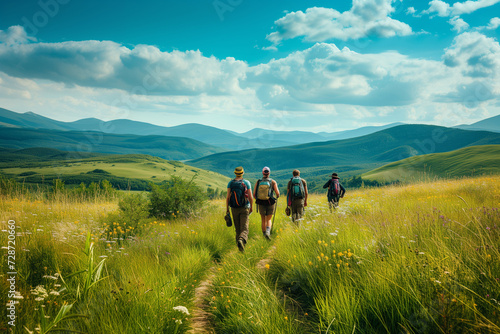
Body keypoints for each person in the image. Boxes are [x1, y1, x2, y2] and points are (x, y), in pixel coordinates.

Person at [226, 166, 253, 252]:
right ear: (242, 173)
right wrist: (251, 206)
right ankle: (242, 241)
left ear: (235, 173)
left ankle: (240, 250)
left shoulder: (230, 183)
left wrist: (227, 209)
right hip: (244, 208)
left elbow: (227, 198)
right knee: (244, 228)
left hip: (234, 209)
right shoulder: (246, 182)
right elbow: (250, 197)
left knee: (237, 229)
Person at [254, 166, 280, 240]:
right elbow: (277, 194)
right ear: (269, 173)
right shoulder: (273, 182)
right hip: (270, 202)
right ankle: (268, 233)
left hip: (261, 202)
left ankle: (264, 234)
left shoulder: (258, 181)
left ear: (262, 173)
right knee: (268, 219)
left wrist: (258, 199)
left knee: (263, 220)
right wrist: (276, 196)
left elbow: (254, 194)